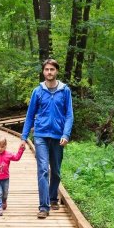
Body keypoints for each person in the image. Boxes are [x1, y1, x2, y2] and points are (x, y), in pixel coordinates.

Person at [20, 58, 74, 219]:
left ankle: (52, 197)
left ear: (56, 71)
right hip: (41, 135)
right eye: (46, 69)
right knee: (43, 169)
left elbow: (69, 115)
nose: (49, 72)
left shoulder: (65, 91)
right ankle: (44, 206)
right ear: (43, 72)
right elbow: (30, 115)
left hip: (58, 136)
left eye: (52, 69)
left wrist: (66, 134)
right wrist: (24, 136)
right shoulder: (38, 91)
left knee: (55, 171)